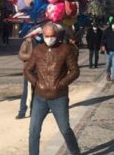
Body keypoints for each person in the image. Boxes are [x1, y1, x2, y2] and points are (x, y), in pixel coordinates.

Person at [24, 23, 81, 155]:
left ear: (57, 35)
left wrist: (61, 84)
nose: (50, 38)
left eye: (52, 36)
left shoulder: (65, 49)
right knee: (33, 130)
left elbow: (75, 71)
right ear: (43, 36)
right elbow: (27, 70)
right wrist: (36, 83)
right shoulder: (38, 50)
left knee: (65, 129)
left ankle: (75, 151)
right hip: (40, 97)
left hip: (59, 97)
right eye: (47, 36)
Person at [17, 33, 39, 119]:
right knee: (26, 92)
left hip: (39, 71)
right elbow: (21, 55)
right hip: (29, 71)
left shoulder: (41, 41)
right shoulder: (27, 42)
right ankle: (22, 112)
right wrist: (33, 57)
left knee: (37, 92)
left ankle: (34, 111)